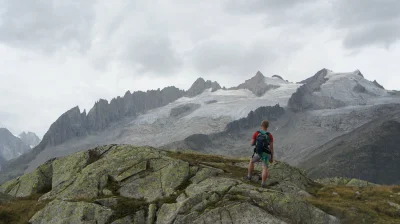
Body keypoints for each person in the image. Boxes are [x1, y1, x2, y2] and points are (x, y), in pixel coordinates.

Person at [245, 120, 274, 188]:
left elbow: (251, 143)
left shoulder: (256, 133)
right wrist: (271, 157)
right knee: (264, 167)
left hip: (258, 152)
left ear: (261, 126)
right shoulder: (269, 135)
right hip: (266, 154)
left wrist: (256, 142)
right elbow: (271, 148)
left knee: (251, 162)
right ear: (267, 126)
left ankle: (249, 176)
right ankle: (263, 184)